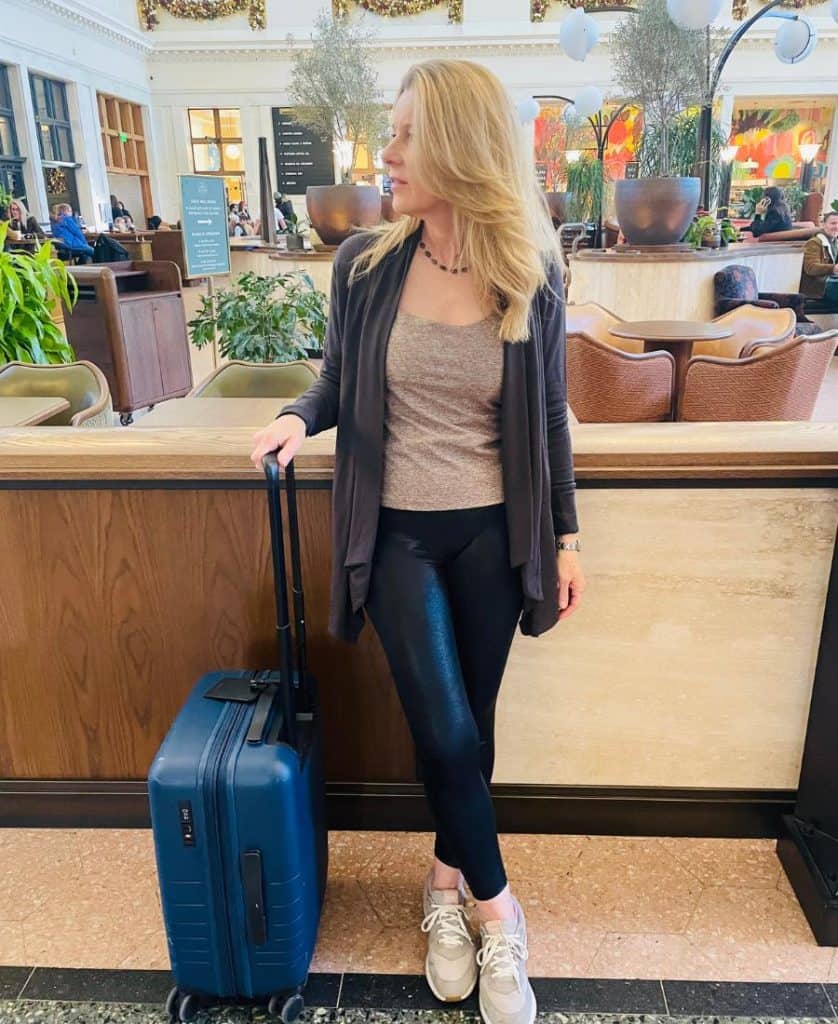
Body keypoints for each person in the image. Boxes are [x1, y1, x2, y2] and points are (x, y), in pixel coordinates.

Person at [251, 59, 585, 1024]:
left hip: (495, 534)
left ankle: (443, 889)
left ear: (461, 149)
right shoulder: (364, 265)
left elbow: (552, 418)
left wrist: (566, 536)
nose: (385, 155)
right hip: (394, 533)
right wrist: (295, 419)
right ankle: (500, 909)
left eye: (405, 136)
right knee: (440, 729)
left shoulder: (532, 267)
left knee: (470, 731)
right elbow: (335, 381)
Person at [800, 209, 838, 310]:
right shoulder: (814, 242)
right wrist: (834, 268)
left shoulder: (835, 243)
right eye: (833, 223)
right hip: (817, 286)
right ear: (823, 225)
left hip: (830, 282)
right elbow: (810, 268)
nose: (836, 227)